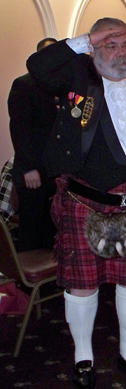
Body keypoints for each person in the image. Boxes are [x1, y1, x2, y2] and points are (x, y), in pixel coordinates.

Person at [27, 17, 126, 388]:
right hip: (84, 202)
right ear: (94, 48)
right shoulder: (78, 78)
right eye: (110, 45)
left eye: (125, 45)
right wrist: (86, 40)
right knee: (82, 284)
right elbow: (37, 67)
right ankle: (83, 358)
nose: (120, 53)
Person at [8, 37, 58, 251]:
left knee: (52, 227)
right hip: (33, 172)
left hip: (55, 171)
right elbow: (19, 130)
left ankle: (54, 279)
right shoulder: (24, 84)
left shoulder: (62, 86)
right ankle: (31, 283)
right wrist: (29, 168)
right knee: (33, 228)